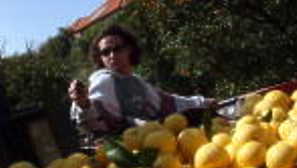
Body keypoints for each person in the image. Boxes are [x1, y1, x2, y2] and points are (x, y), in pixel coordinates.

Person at [68, 24, 214, 143]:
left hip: (158, 144)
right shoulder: (104, 80)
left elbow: (169, 102)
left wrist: (203, 102)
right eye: (105, 52)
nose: (112, 55)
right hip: (128, 156)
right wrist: (82, 104)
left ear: (129, 49)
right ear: (100, 58)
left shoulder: (136, 81)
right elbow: (95, 119)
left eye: (117, 49)